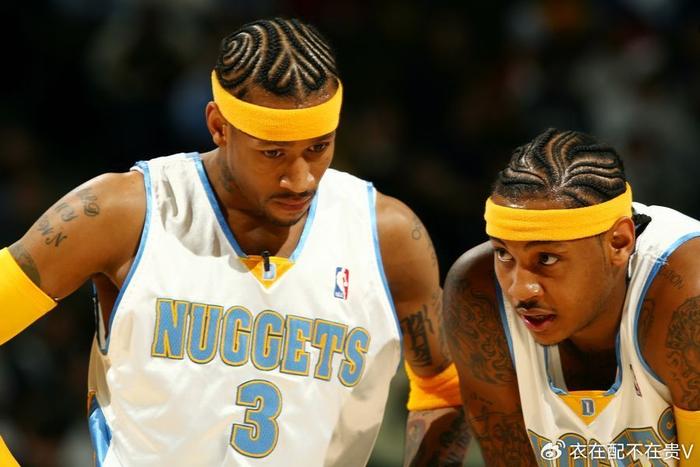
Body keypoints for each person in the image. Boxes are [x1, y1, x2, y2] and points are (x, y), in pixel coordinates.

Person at [0, 18, 469, 466]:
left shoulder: (387, 235)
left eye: (318, 148)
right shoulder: (125, 213)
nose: (300, 179)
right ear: (219, 126)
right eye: (273, 153)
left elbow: (444, 389)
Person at [443, 128, 700, 466]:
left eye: (546, 259)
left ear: (619, 243)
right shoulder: (478, 295)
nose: (519, 291)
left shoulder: (686, 295)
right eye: (504, 253)